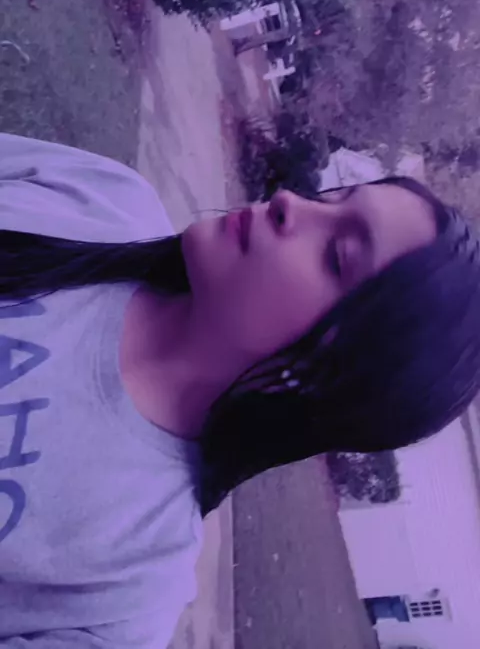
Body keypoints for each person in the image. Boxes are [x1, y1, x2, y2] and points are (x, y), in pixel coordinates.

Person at [0, 131, 479, 647]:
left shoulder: (129, 587)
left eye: (338, 256)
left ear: (336, 376)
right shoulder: (102, 197)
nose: (288, 202)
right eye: (330, 199)